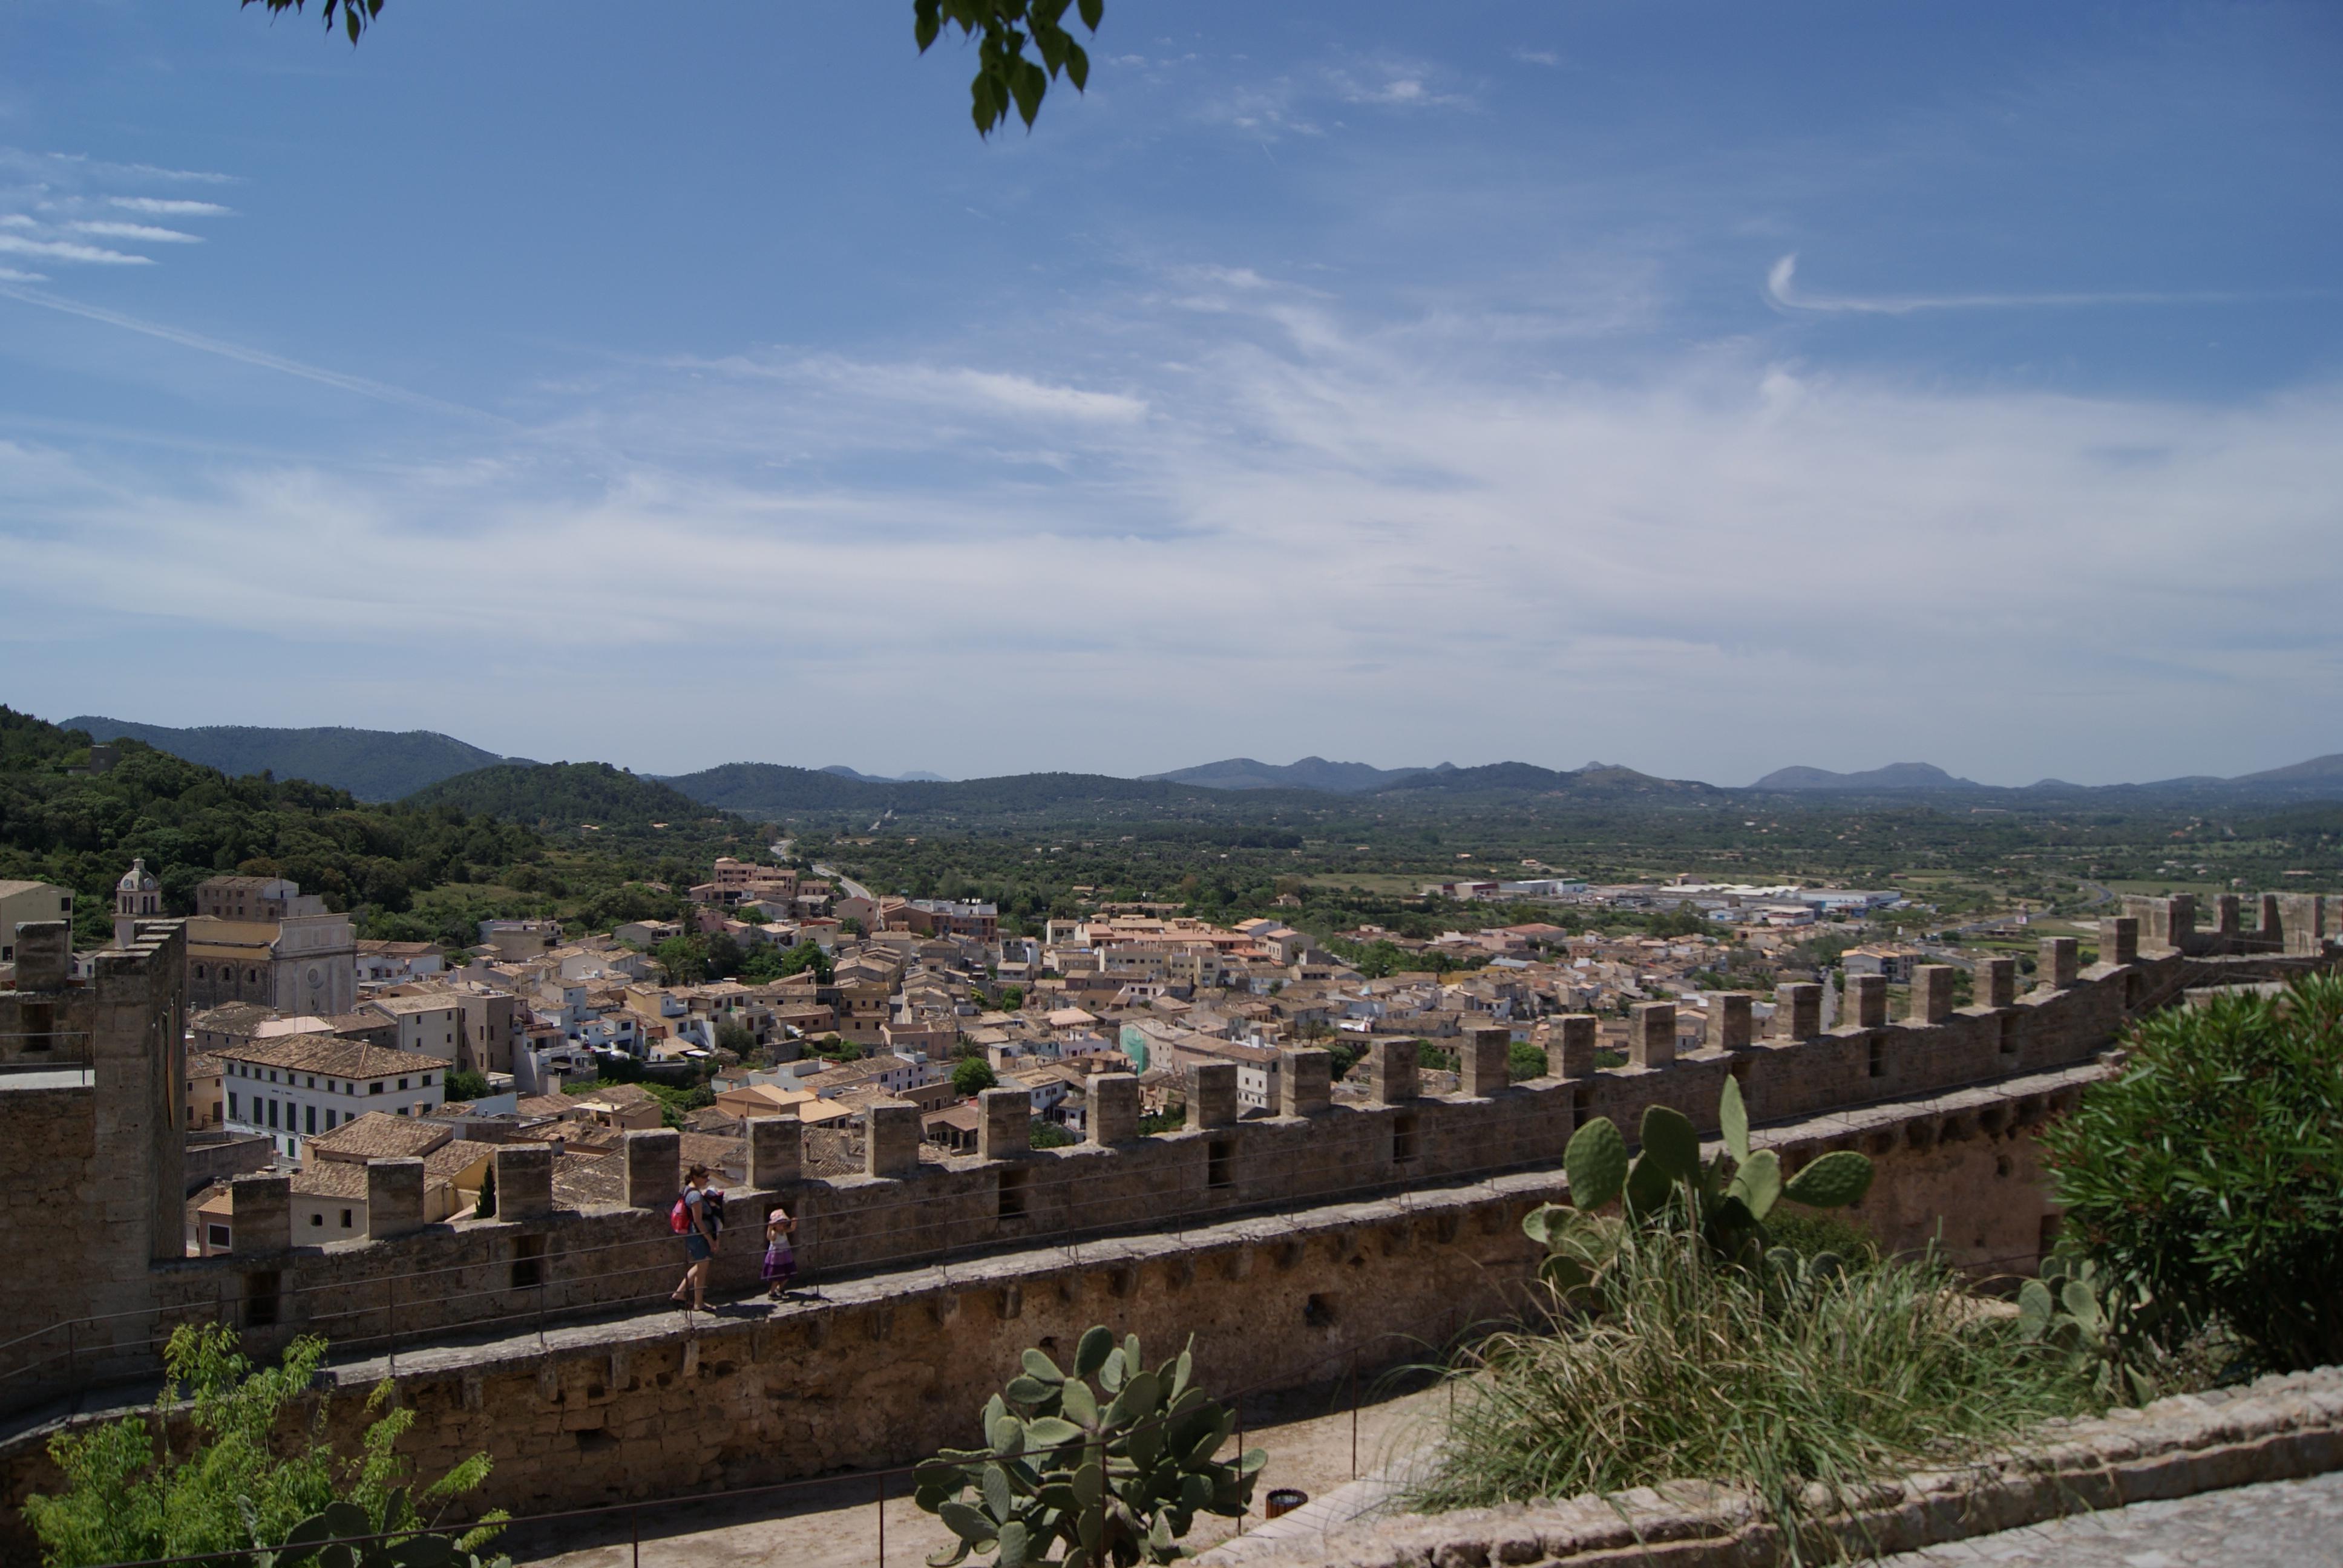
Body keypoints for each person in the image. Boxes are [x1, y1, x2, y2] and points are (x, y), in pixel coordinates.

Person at [669, 1163, 719, 1313]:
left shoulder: (687, 1190)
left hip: (693, 1235)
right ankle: (699, 1304)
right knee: (702, 1272)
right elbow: (698, 1221)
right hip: (698, 1236)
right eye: (704, 1177)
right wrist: (711, 1240)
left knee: (700, 1266)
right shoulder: (695, 1196)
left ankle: (679, 1294)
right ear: (695, 1177)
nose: (707, 1180)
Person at [762, 1203, 798, 1299]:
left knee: (787, 1273)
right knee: (777, 1276)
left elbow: (792, 1229)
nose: (782, 1225)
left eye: (783, 1222)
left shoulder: (783, 1231)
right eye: (779, 1223)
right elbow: (770, 1237)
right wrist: (769, 1228)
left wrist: (794, 1223)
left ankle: (780, 1289)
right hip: (777, 1257)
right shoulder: (775, 1233)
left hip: (785, 1255)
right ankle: (772, 1292)